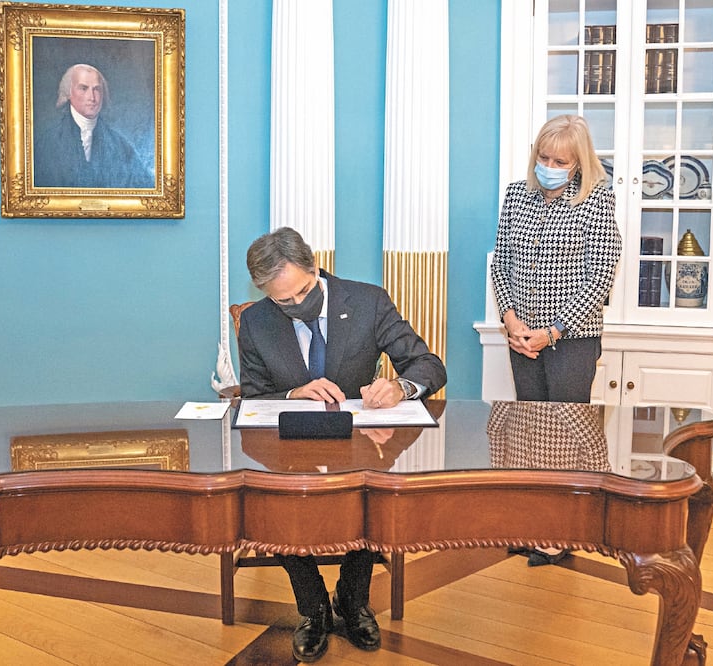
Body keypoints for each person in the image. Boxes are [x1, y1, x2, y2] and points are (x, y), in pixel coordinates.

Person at [238, 226, 447, 662]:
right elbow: (253, 397)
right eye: (284, 302)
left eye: (303, 292)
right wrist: (293, 394)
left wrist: (401, 387)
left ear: (315, 268)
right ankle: (313, 607)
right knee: (270, 502)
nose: (297, 305)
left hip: (359, 442)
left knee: (375, 495)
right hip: (290, 447)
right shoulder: (256, 322)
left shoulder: (367, 301)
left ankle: (352, 600)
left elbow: (429, 365)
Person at [490, 114, 622, 404]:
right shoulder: (516, 195)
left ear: (578, 164)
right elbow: (500, 264)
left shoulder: (596, 200)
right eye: (544, 157)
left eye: (560, 162)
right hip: (523, 338)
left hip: (572, 341)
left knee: (566, 426)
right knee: (529, 422)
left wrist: (553, 332)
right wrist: (511, 321)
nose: (549, 166)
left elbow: (600, 277)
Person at [33, 63, 154, 189]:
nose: (92, 97)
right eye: (83, 88)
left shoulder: (121, 146)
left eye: (97, 89)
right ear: (68, 92)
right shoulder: (47, 143)